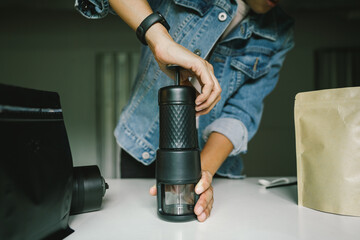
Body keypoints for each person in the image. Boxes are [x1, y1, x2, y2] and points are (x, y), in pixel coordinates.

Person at [75, 0, 294, 222]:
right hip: (143, 151)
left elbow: (241, 113)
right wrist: (160, 39)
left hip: (214, 167)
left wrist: (200, 175)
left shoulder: (279, 32)